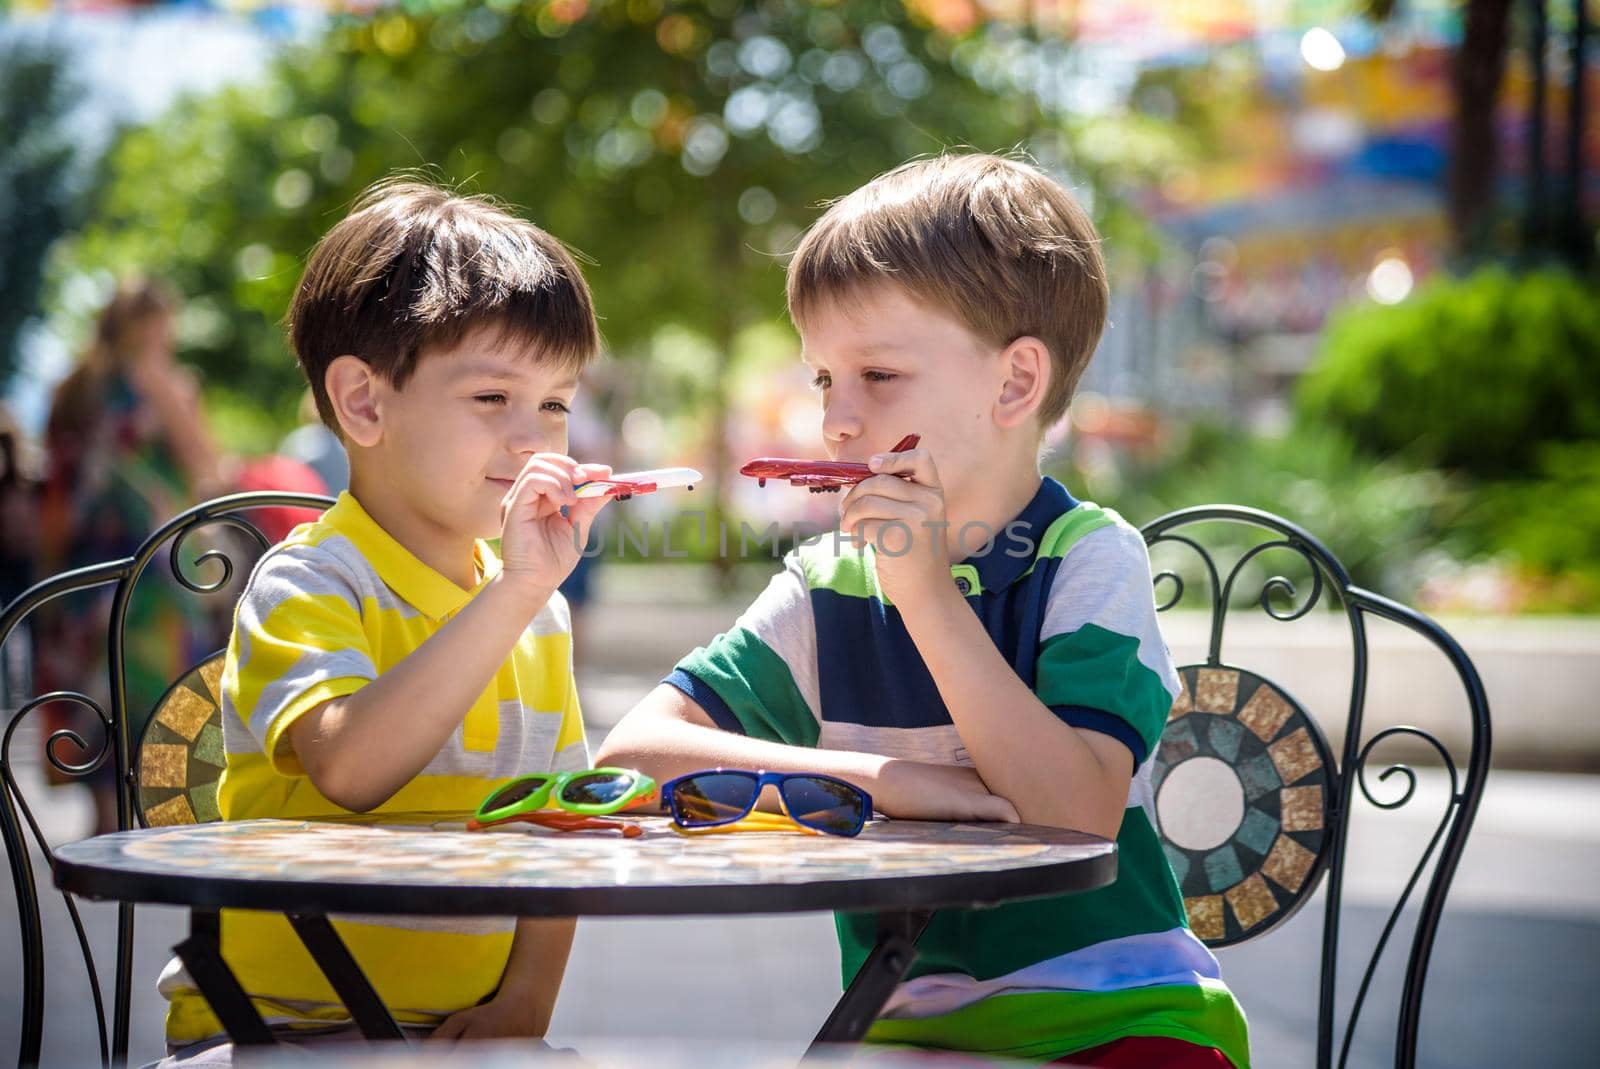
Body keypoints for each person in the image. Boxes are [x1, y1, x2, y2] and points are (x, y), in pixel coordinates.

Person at [598, 154, 1250, 1067]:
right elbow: (630, 755)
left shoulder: (1087, 559)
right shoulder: (829, 582)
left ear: (1016, 384)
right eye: (825, 378)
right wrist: (880, 781)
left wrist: (928, 596)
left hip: (1120, 1015)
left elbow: (1074, 816)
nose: (835, 421)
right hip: (900, 1025)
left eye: (879, 375)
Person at [157, 179, 613, 1060]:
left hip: (463, 1034)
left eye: (555, 403)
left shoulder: (537, 612)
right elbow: (352, 767)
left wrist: (525, 1003)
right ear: (364, 403)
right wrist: (513, 594)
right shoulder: (310, 581)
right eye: (493, 399)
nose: (534, 440)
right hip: (278, 1025)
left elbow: (566, 829)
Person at [35, 278, 222, 833]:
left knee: (101, 699)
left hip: (86, 566)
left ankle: (107, 835)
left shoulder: (74, 386)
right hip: (154, 569)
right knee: (161, 699)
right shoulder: (161, 384)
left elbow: (57, 485)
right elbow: (206, 470)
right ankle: (160, 831)